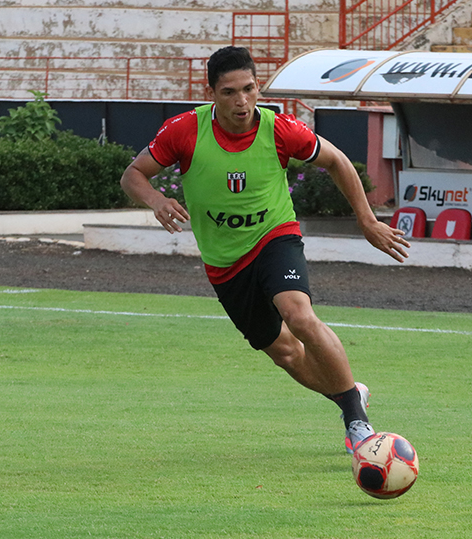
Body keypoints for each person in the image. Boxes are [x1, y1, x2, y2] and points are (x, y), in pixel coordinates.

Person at [120, 46, 410, 454]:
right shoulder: (184, 130)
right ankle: (350, 394)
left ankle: (357, 423)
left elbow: (339, 161)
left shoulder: (280, 129)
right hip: (224, 264)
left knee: (298, 313)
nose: (242, 101)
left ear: (258, 86)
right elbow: (133, 175)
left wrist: (367, 220)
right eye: (229, 92)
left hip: (275, 237)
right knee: (287, 354)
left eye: (249, 88)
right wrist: (156, 201)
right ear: (212, 93)